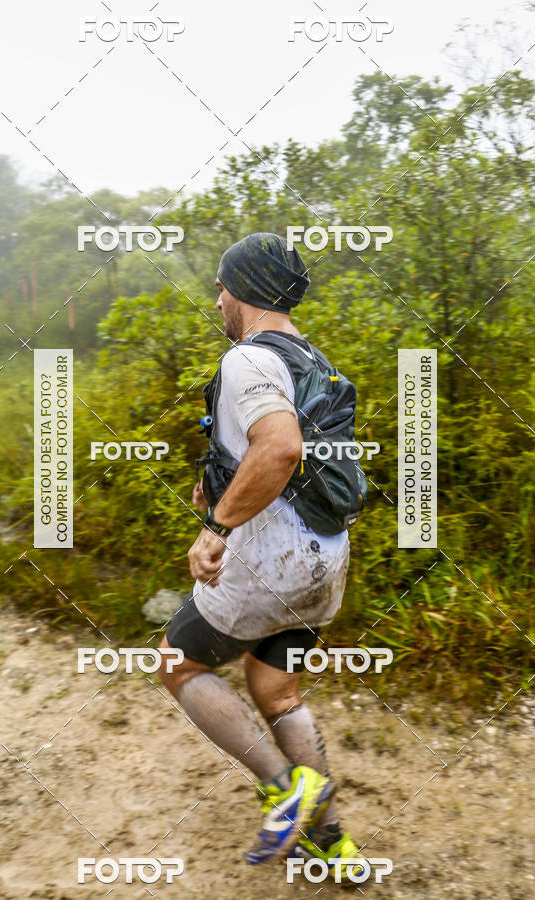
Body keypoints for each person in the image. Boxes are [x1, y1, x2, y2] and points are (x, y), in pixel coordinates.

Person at [159, 233, 365, 881]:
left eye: (221, 286)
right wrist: (219, 483)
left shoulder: (248, 360)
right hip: (325, 558)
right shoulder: (309, 356)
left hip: (268, 557)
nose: (217, 299)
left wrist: (216, 526)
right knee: (276, 689)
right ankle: (330, 842)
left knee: (176, 661)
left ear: (241, 289)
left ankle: (282, 786)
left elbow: (278, 449)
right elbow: (273, 448)